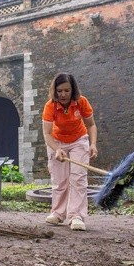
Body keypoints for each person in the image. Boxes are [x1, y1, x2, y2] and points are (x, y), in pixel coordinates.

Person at [42, 73, 98, 231]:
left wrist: (93, 144)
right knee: (59, 180)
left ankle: (76, 216)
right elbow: (47, 133)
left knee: (78, 178)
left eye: (67, 90)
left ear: (73, 90)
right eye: (59, 91)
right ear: (55, 91)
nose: (63, 94)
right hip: (57, 141)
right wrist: (57, 149)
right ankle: (58, 213)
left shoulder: (82, 102)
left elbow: (91, 125)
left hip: (79, 141)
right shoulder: (50, 106)